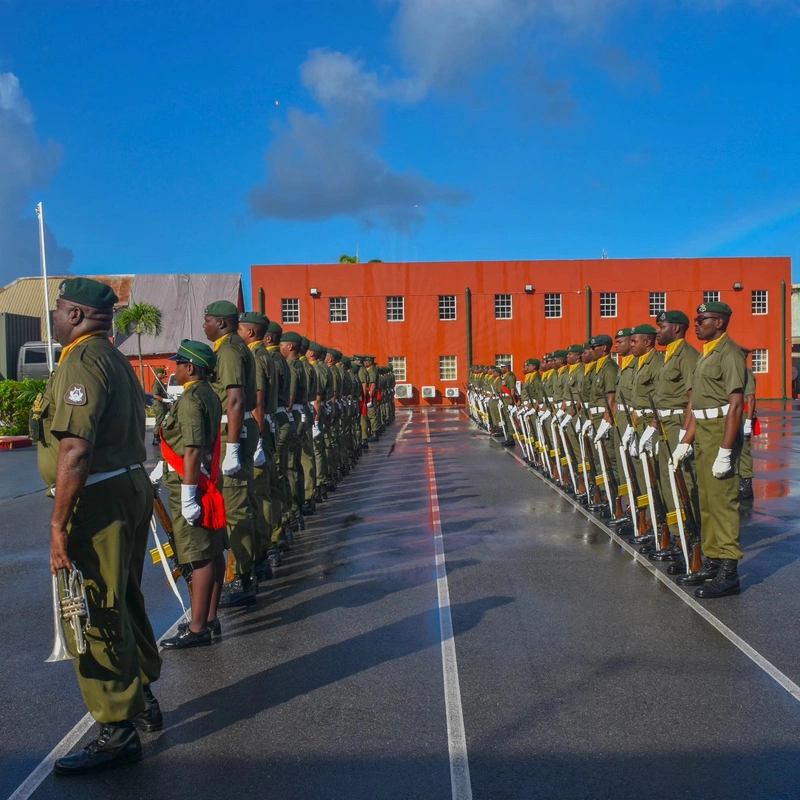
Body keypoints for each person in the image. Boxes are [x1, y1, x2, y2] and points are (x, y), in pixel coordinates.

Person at [34, 277, 161, 775]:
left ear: (76, 315)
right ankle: (142, 697)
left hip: (100, 499)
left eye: (58, 308)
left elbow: (75, 451)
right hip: (126, 487)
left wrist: (58, 526)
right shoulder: (113, 358)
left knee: (95, 610)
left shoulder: (82, 362)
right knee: (123, 596)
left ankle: (117, 730)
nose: (53, 317)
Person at [673, 301, 746, 598]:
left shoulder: (730, 353)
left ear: (720, 322)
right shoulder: (706, 354)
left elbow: (736, 405)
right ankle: (713, 561)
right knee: (706, 501)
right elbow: (696, 404)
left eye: (702, 319)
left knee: (723, 502)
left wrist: (726, 451)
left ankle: (729, 572)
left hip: (719, 431)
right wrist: (685, 442)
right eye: (696, 319)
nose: (697, 324)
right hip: (703, 431)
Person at [157, 340, 226, 648]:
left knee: (199, 555)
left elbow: (193, 448)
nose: (175, 369)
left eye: (179, 364)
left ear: (191, 368)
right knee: (213, 549)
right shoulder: (208, 393)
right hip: (203, 478)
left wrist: (187, 496)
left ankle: (198, 628)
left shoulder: (190, 400)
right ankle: (209, 618)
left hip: (193, 483)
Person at [203, 300, 259, 607]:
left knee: (236, 509)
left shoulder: (228, 350)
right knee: (242, 504)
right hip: (233, 430)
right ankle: (248, 569)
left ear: (222, 323)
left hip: (231, 432)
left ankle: (243, 579)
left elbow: (234, 399)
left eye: (207, 320)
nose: (204, 325)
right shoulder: (235, 346)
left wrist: (233, 447)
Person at [648, 310, 700, 567]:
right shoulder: (668, 355)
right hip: (665, 424)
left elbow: (693, 397)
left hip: (678, 423)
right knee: (667, 484)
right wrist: (653, 426)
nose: (657, 331)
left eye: (661, 327)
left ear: (676, 329)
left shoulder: (687, 356)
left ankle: (689, 539)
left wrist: (685, 434)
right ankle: (677, 535)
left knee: (682, 485)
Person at [238, 311, 277, 581]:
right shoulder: (266, 356)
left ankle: (262, 554)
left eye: (240, 329)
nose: (237, 333)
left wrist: (259, 440)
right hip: (268, 426)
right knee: (264, 492)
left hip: (259, 429)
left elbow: (258, 403)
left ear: (251, 332)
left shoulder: (257, 357)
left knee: (259, 495)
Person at [151, 367, 170, 445]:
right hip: (159, 405)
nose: (163, 375)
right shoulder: (156, 384)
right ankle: (156, 438)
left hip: (163, 405)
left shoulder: (161, 383)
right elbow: (155, 395)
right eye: (162, 373)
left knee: (162, 421)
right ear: (157, 374)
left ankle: (159, 437)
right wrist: (164, 400)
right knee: (159, 421)